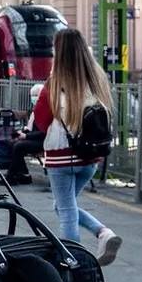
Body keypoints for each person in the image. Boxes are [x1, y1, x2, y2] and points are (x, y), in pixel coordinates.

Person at [32, 28, 123, 265]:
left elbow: (41, 120)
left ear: (59, 52)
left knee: (67, 212)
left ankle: (72, 260)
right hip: (91, 157)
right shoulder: (99, 79)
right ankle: (104, 233)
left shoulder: (55, 83)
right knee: (63, 205)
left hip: (62, 158)